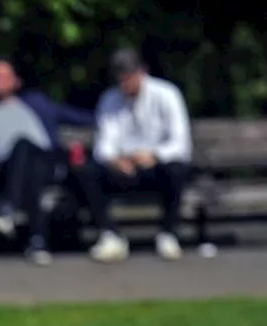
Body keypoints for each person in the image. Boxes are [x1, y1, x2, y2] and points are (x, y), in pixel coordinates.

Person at [0, 59, 95, 264]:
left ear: (16, 81)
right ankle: (37, 244)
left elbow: (79, 117)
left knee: (24, 145)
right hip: (6, 168)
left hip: (49, 162)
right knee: (29, 167)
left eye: (3, 76)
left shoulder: (37, 103)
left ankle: (7, 210)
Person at [72, 48, 192, 263]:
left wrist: (154, 155)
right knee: (86, 171)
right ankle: (110, 235)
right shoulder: (110, 99)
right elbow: (104, 144)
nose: (126, 83)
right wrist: (116, 160)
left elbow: (180, 143)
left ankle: (168, 234)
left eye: (129, 76)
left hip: (156, 167)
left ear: (142, 71)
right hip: (123, 168)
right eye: (121, 78)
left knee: (176, 169)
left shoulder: (166, 94)